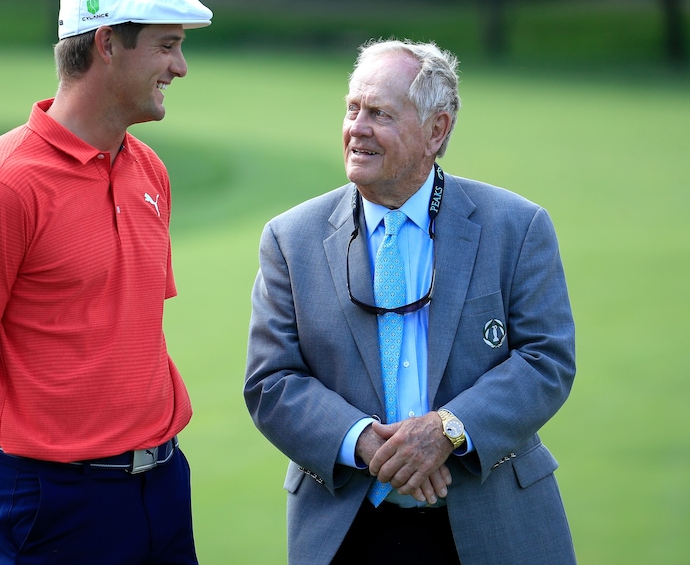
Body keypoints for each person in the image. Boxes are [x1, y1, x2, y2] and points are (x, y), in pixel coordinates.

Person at [0, 0, 212, 564]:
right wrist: (7, 479)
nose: (180, 67)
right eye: (167, 47)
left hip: (162, 486)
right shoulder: (3, 187)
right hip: (53, 503)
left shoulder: (148, 169)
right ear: (107, 44)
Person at [244, 39, 576, 564]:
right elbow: (271, 381)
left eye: (380, 114)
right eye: (353, 109)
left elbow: (546, 360)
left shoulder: (517, 226)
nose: (357, 128)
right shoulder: (291, 238)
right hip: (347, 532)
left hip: (493, 528)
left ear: (436, 130)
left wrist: (448, 429)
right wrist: (367, 445)